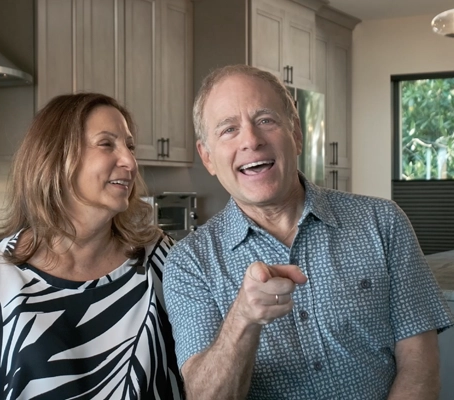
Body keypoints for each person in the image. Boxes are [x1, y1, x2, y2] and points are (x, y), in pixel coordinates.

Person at [163, 64, 454, 400]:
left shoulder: (382, 221)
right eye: (228, 130)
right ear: (208, 157)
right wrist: (243, 319)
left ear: (296, 133)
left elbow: (421, 368)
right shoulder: (189, 262)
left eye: (265, 120)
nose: (251, 140)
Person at [0, 93, 183, 399]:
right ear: (57, 157)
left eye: (129, 146)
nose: (129, 161)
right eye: (106, 144)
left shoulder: (159, 258)